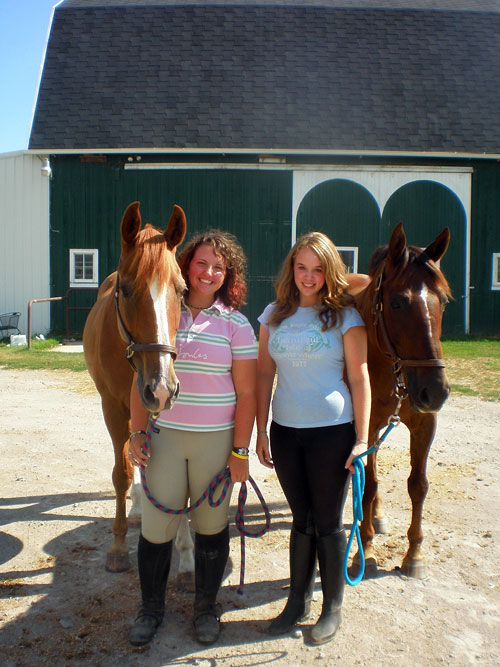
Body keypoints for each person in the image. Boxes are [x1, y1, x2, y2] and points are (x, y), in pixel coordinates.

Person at [128, 230, 257, 647]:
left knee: (211, 529)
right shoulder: (166, 313)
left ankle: (205, 607)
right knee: (156, 530)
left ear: (228, 274)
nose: (209, 273)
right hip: (164, 439)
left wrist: (240, 451)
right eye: (202, 263)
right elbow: (139, 380)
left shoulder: (236, 325)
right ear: (187, 265)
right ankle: (151, 609)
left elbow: (248, 394)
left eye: (218, 267)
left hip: (214, 443)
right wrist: (135, 433)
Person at [256, 231, 371, 646]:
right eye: (302, 267)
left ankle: (332, 607)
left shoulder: (345, 316)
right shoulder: (272, 315)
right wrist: (261, 429)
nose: (309, 276)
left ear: (329, 272)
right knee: (300, 518)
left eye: (318, 269)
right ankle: (296, 602)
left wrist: (361, 439)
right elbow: (264, 375)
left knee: (327, 520)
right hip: (286, 432)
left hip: (332, 432)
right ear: (291, 269)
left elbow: (359, 378)